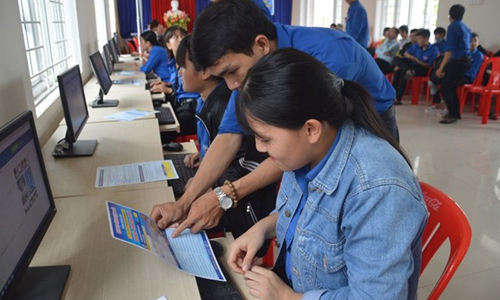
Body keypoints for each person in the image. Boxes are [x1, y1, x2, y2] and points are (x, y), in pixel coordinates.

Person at [151, 0, 399, 239]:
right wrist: (183, 204)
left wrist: (224, 195)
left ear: (261, 44)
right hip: (314, 138)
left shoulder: (325, 58)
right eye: (221, 77)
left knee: (351, 214)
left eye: (231, 72)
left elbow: (297, 144)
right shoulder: (251, 70)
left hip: (369, 120)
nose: (232, 86)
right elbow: (228, 136)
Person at [228, 48, 428, 300]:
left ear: (311, 129)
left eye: (265, 138)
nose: (259, 148)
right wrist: (262, 229)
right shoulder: (304, 152)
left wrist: (287, 297)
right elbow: (304, 216)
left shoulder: (377, 189)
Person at [176, 35, 277, 248]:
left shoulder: (226, 104)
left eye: (230, 72)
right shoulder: (218, 102)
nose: (231, 85)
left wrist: (216, 194)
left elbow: (241, 164)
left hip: (238, 210)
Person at [436, 4, 472, 124]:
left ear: (450, 15)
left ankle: (453, 114)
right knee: (451, 87)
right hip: (466, 60)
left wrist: (441, 68)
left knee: (446, 87)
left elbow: (449, 50)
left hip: (458, 61)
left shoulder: (452, 27)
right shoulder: (465, 27)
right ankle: (455, 113)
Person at [429, 32, 483, 107]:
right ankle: (437, 102)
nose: (473, 43)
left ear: (478, 43)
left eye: (475, 41)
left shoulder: (478, 55)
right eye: (470, 41)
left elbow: (471, 71)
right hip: (457, 74)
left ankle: (449, 106)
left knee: (447, 85)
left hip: (467, 77)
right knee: (433, 81)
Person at [392, 29, 438, 105]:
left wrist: (417, 60)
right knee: (397, 59)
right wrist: (410, 57)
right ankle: (408, 70)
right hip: (411, 66)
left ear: (426, 38)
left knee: (401, 72)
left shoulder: (433, 49)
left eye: (419, 39)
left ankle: (397, 98)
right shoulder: (416, 46)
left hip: (422, 69)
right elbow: (406, 53)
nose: (418, 41)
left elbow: (429, 65)